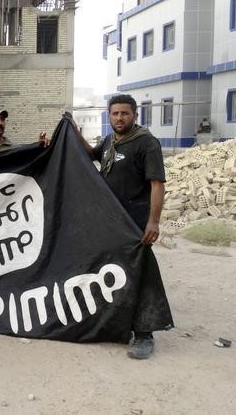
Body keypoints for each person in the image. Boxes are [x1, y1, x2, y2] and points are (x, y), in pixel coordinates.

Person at [72, 93, 167, 360]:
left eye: (125, 113)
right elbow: (91, 155)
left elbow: (157, 184)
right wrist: (74, 132)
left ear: (135, 115)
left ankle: (145, 333)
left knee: (140, 273)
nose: (119, 118)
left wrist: (153, 221)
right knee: (111, 271)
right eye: (114, 114)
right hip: (111, 221)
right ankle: (114, 325)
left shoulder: (146, 143)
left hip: (134, 222)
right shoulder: (110, 141)